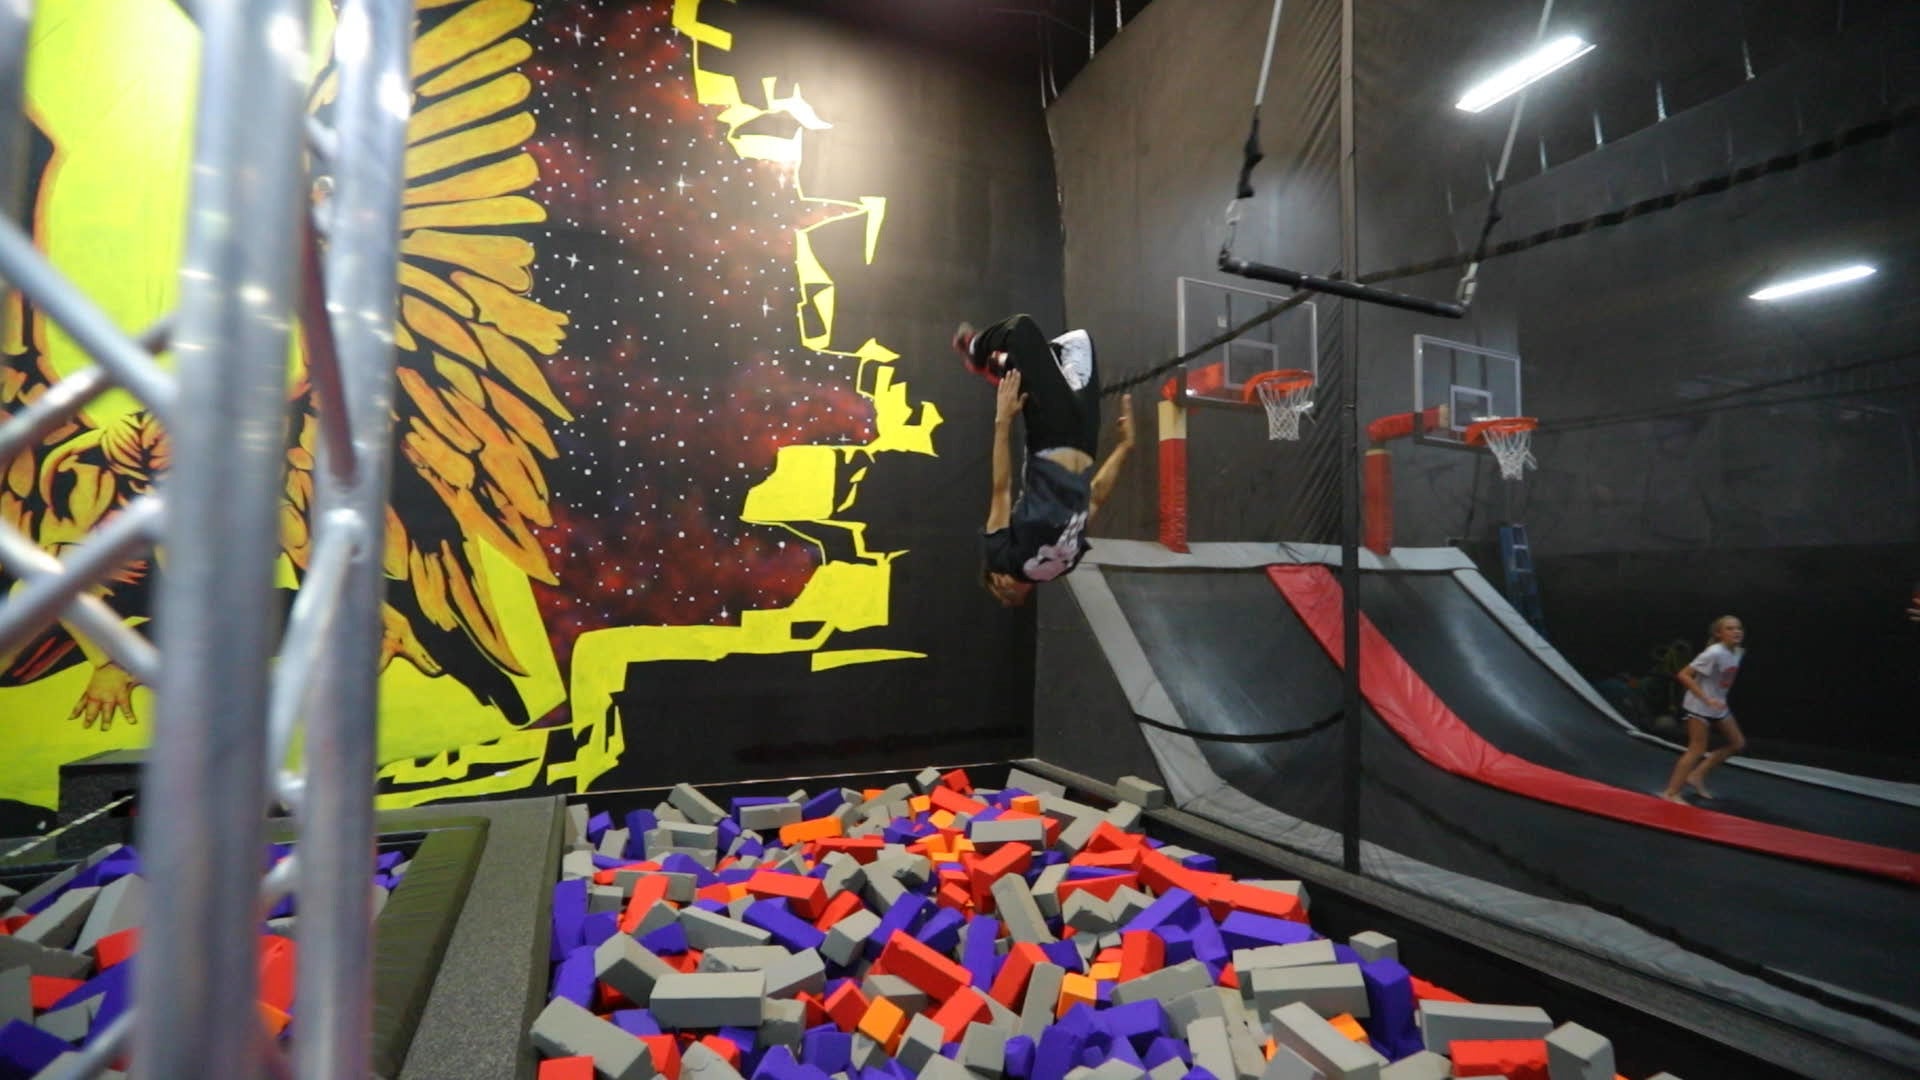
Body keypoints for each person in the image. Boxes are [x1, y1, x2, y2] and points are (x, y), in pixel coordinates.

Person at [952, 314, 1133, 606]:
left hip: (1050, 437)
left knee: (1021, 329)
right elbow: (1095, 498)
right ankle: (1008, 368)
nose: (1007, 593)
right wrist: (1125, 446)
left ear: (998, 577)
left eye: (999, 589)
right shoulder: (1065, 564)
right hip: (1085, 442)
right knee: (1078, 341)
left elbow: (1001, 487)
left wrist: (1003, 420)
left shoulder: (1004, 557)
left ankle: (976, 351)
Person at [1660, 615, 1748, 803]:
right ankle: (1671, 792)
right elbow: (1683, 675)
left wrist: (1716, 699)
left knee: (1737, 744)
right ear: (1719, 633)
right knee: (1697, 749)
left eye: (1738, 628)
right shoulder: (1713, 653)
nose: (1736, 632)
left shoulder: (1738, 652)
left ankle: (1697, 775)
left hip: (1718, 705)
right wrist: (1706, 698)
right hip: (1699, 705)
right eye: (1730, 628)